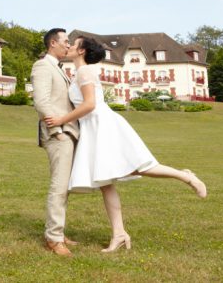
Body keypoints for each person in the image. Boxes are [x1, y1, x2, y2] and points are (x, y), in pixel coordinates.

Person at [44, 36, 207, 253]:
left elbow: (90, 104)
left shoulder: (85, 71)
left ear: (81, 51)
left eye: (74, 44)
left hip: (103, 125)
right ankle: (119, 233)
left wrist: (62, 120)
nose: (70, 46)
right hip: (92, 128)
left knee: (139, 166)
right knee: (105, 181)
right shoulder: (78, 72)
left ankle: (186, 176)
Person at [31, 28, 80, 257]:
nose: (68, 45)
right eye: (65, 41)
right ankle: (53, 238)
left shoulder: (60, 69)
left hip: (70, 133)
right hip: (57, 134)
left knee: (64, 188)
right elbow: (41, 102)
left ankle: (58, 233)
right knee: (58, 186)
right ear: (53, 43)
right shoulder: (42, 66)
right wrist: (58, 130)